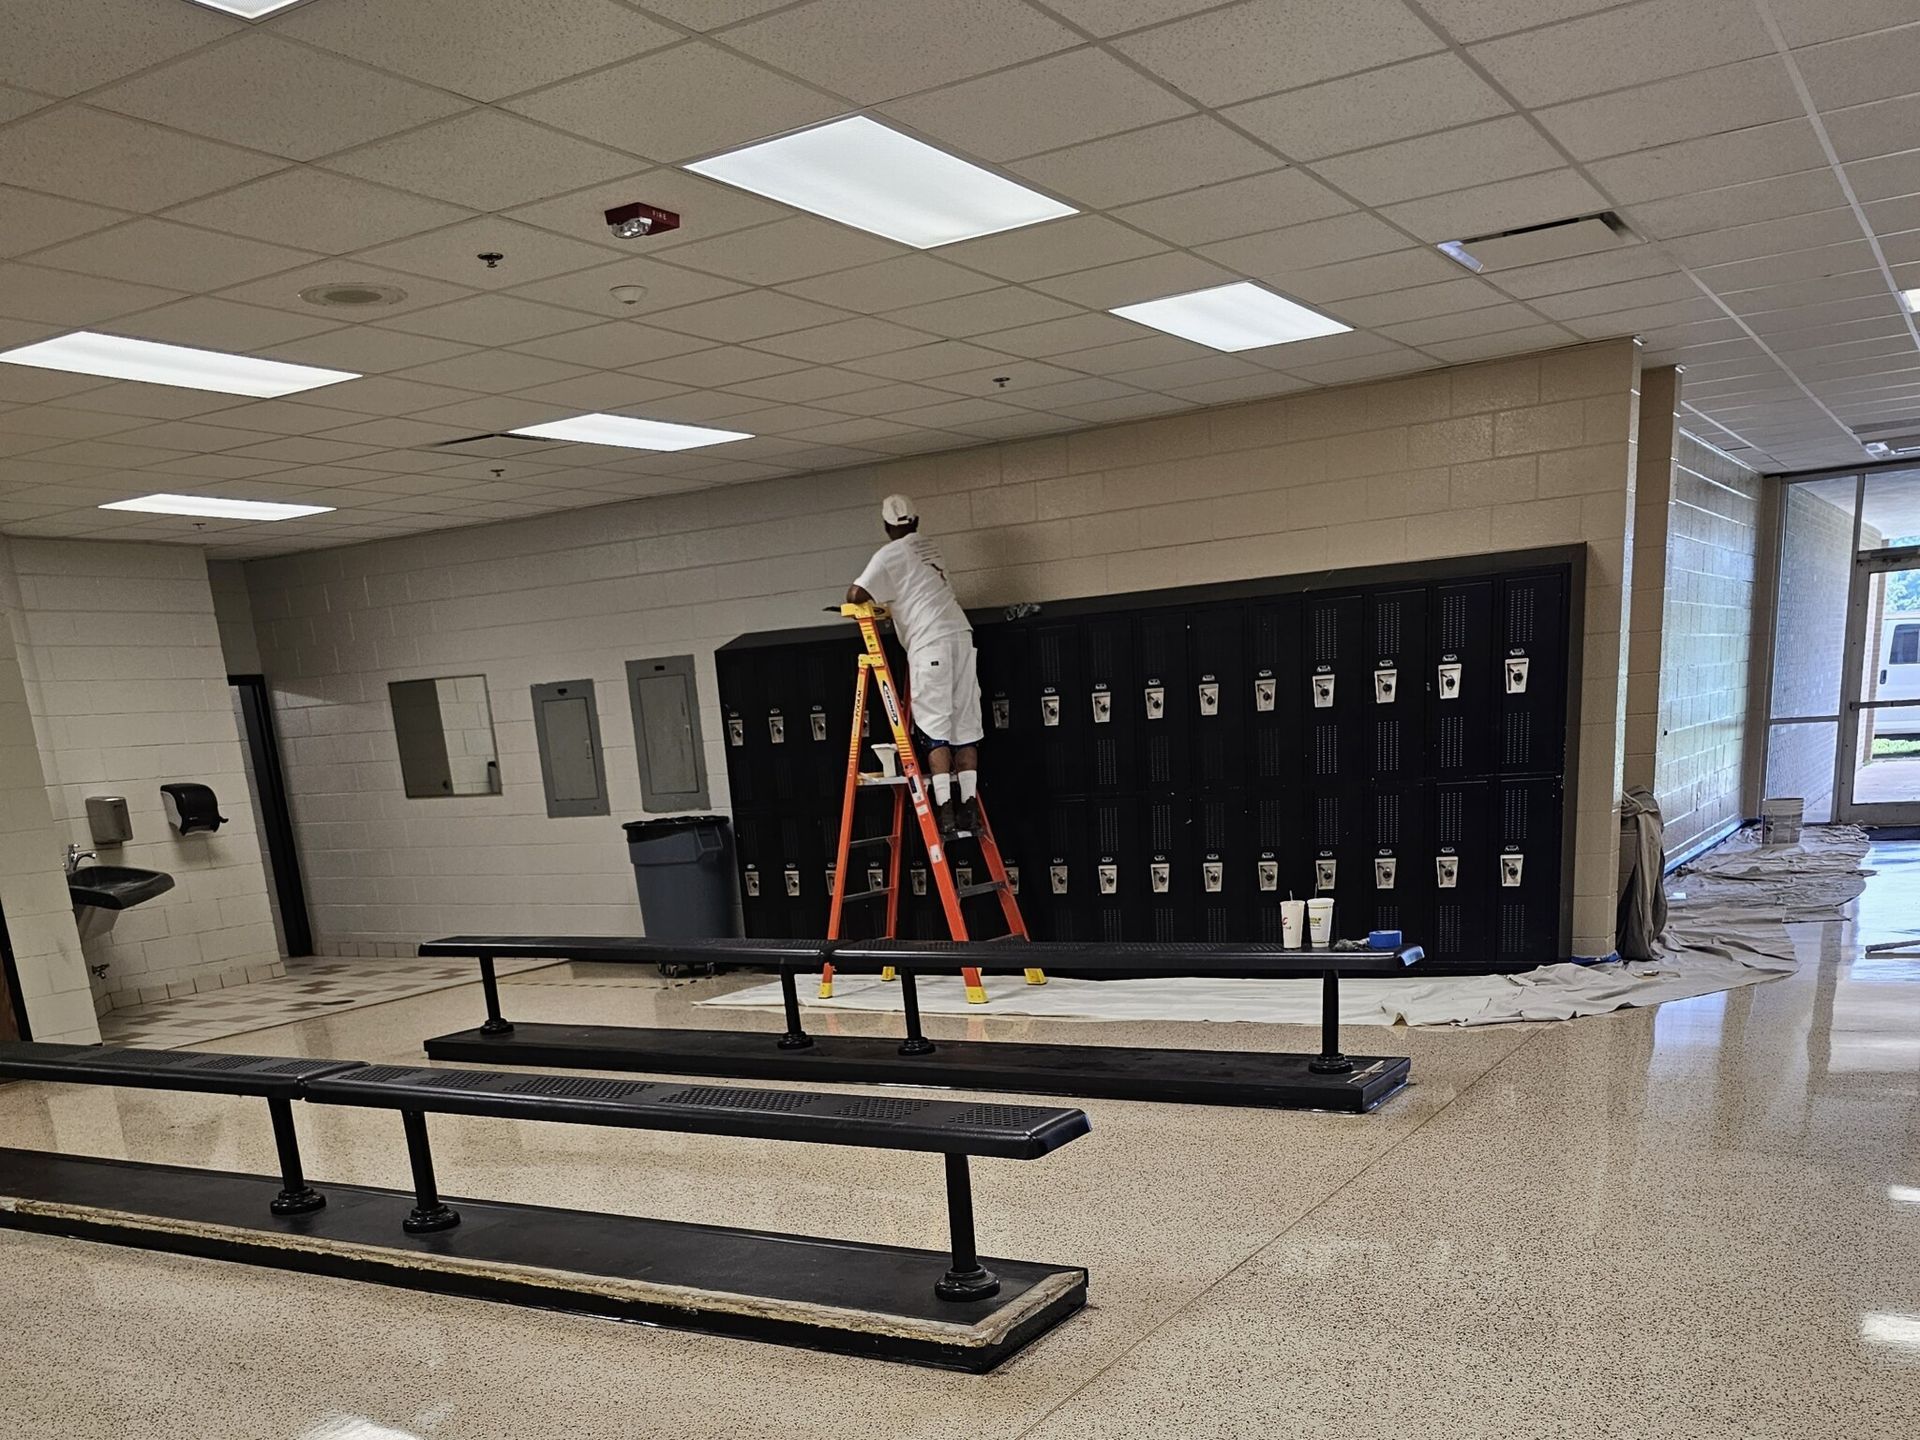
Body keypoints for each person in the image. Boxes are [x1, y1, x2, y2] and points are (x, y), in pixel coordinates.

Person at [847, 494, 981, 838]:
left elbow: (856, 594)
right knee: (964, 726)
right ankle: (969, 807)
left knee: (935, 729)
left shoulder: (889, 554)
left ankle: (945, 811)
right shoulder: (930, 547)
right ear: (916, 521)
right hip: (960, 636)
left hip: (929, 642)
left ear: (886, 526)